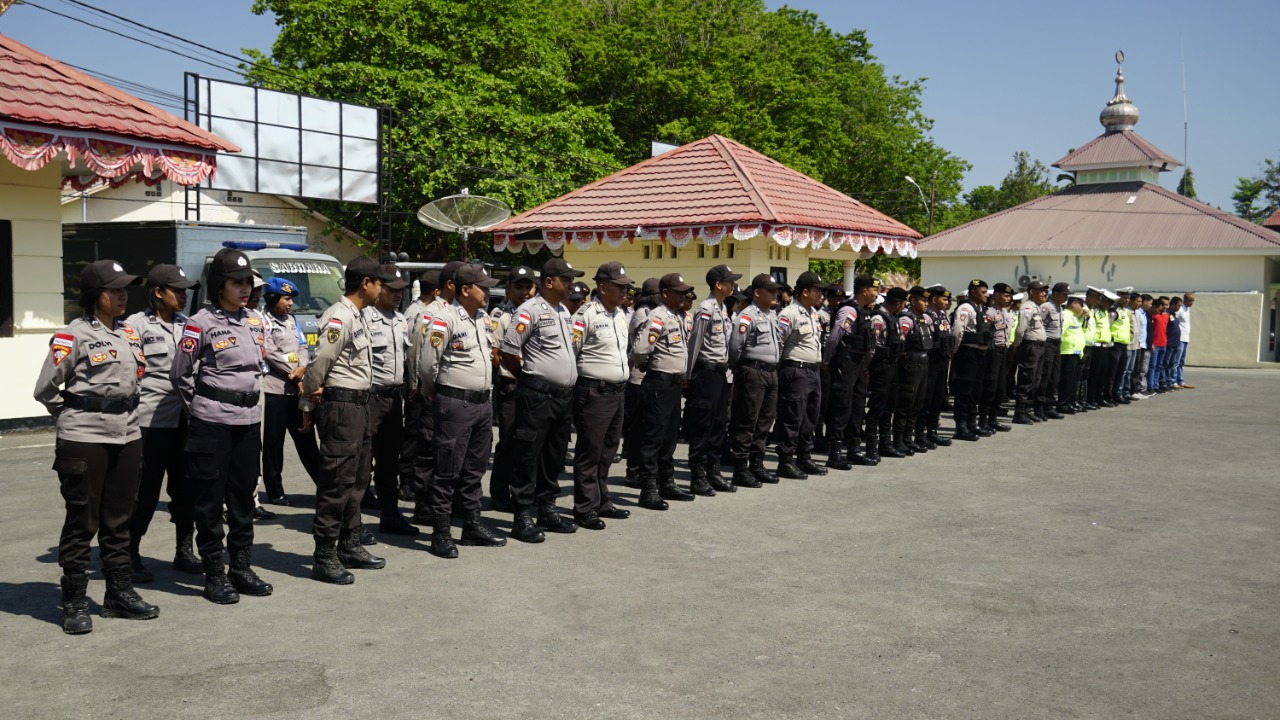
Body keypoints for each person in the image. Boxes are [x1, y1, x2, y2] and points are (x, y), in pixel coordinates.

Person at [34, 260, 157, 634]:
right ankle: (73, 600)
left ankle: (119, 594)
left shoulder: (129, 334)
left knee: (119, 518)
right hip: (84, 438)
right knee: (82, 520)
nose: (122, 296)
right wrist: (77, 413)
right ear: (94, 295)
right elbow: (45, 389)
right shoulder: (72, 336)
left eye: (124, 289)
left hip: (128, 433)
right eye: (114, 290)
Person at [170, 248, 273, 604]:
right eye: (236, 282)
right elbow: (180, 374)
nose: (244, 289)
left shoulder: (256, 321)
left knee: (243, 498)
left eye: (247, 282)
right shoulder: (200, 323)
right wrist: (198, 411)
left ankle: (241, 567)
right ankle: (214, 573)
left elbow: (265, 363)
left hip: (248, 421)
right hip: (211, 423)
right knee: (209, 501)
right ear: (219, 285)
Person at [300, 256, 386, 584]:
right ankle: (324, 555)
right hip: (341, 407)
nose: (382, 289)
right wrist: (308, 400)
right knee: (337, 482)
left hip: (359, 407)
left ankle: (350, 543)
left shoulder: (359, 315)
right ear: (366, 283)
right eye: (379, 282)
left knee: (358, 479)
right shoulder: (339, 317)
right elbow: (321, 360)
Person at [417, 264, 507, 557]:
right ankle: (441, 533)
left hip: (482, 404)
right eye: (483, 287)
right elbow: (427, 365)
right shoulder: (443, 319)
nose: (489, 292)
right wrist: (437, 394)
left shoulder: (482, 318)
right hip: (455, 402)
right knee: (446, 470)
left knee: (474, 468)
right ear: (465, 290)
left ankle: (471, 524)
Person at [124, 264, 200, 584]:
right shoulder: (135, 327)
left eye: (186, 290)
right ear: (158, 293)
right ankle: (130, 553)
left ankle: (184, 551)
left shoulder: (190, 326)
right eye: (177, 290)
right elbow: (127, 375)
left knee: (186, 490)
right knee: (145, 492)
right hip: (149, 422)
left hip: (187, 420)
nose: (184, 296)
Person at [499, 258, 584, 542]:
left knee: (554, 457)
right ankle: (522, 515)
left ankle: (547, 509)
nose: (571, 284)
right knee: (527, 455)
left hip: (562, 398)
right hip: (537, 395)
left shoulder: (563, 310)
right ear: (549, 282)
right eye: (567, 279)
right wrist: (525, 378)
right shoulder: (529, 311)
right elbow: (509, 350)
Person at [569, 262, 635, 529]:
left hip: (617, 392)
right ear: (602, 287)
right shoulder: (585, 314)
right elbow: (571, 353)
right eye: (619, 286)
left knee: (608, 451)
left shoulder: (619, 314)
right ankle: (584, 508)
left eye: (625, 286)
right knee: (590, 452)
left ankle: (601, 501)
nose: (625, 290)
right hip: (594, 392)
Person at [631, 272, 697, 507]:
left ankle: (667, 482)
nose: (684, 295)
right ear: (666, 293)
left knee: (670, 437)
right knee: (653, 437)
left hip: (674, 384)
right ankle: (648, 488)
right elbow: (640, 349)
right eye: (679, 292)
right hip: (658, 383)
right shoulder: (658, 316)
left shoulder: (678, 315)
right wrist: (646, 365)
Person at [363, 264, 417, 537]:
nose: (398, 295)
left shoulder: (400, 320)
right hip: (370, 398)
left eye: (401, 291)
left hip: (394, 399)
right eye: (393, 290)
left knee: (389, 462)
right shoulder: (364, 317)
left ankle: (390, 514)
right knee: (361, 462)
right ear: (378, 287)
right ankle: (353, 522)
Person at [260, 276, 323, 506]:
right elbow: (268, 351)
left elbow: (303, 346)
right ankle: (275, 491)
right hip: (275, 389)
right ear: (273, 298)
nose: (290, 304)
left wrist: (303, 367)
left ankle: (324, 486)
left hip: (296, 389)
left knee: (306, 438)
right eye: (286, 299)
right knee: (274, 444)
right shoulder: (263, 321)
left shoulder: (291, 320)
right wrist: (292, 371)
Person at [681, 264, 742, 494]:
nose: (733, 285)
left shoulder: (722, 309)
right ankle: (698, 475)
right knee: (703, 424)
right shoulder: (705, 309)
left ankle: (713, 472)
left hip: (720, 374)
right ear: (718, 285)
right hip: (705, 373)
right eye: (730, 281)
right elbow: (695, 343)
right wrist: (688, 374)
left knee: (718, 424)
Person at [487, 266, 537, 511]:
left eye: (529, 287)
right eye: (519, 287)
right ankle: (499, 493)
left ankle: (522, 490)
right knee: (508, 441)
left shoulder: (533, 313)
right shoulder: (501, 316)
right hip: (511, 384)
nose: (525, 292)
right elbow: (495, 354)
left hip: (531, 384)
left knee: (527, 442)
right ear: (508, 289)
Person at [774, 271, 830, 478]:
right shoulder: (789, 314)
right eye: (817, 290)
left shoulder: (812, 313)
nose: (820, 295)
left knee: (810, 417)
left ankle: (804, 458)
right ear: (805, 292)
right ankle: (786, 461)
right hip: (796, 370)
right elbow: (778, 343)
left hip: (812, 371)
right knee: (792, 417)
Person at [727, 274, 781, 487]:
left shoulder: (772, 315)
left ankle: (756, 464)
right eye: (771, 291)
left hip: (771, 373)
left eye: (776, 291)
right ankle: (740, 468)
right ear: (757, 293)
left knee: (765, 420)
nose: (775, 294)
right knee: (747, 420)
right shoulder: (747, 316)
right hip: (753, 371)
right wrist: (741, 368)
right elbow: (735, 347)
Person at [823, 275, 880, 469]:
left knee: (857, 408)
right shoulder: (849, 310)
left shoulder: (864, 311)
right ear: (864, 291)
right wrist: (827, 360)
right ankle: (835, 453)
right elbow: (834, 337)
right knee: (841, 407)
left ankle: (854, 449)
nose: (877, 294)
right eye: (875, 290)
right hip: (845, 365)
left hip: (858, 366)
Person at [399, 270, 440, 512]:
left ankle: (410, 479)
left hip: (418, 382)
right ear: (436, 292)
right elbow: (414, 353)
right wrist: (415, 385)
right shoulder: (418, 314)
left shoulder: (413, 310)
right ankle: (406, 481)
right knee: (414, 434)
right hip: (417, 384)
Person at [623, 278, 660, 488]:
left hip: (648, 376)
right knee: (637, 427)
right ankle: (633, 470)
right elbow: (638, 345)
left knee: (648, 427)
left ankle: (642, 468)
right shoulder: (643, 312)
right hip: (638, 375)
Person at [950, 279, 992, 441]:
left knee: (976, 391)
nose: (986, 295)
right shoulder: (966, 308)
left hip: (979, 354)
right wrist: (955, 350)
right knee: (964, 391)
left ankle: (972, 424)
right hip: (967, 354)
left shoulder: (980, 308)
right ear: (973, 292)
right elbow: (957, 331)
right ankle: (961, 426)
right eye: (982, 292)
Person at [893, 286, 934, 454]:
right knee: (906, 403)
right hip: (910, 365)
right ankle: (898, 439)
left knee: (918, 403)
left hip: (923, 363)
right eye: (923, 300)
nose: (926, 303)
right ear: (913, 301)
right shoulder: (906, 319)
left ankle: (909, 438)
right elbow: (900, 342)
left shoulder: (923, 318)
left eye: (927, 300)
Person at [865, 287, 905, 457]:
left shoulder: (892, 317)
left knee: (890, 405)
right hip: (880, 366)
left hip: (891, 365)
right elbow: (872, 347)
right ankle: (871, 446)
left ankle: (885, 443)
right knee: (877, 407)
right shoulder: (879, 318)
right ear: (897, 303)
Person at [979, 283, 1014, 434]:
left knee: (1000, 388)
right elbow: (985, 334)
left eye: (1009, 296)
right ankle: (982, 421)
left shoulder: (1005, 313)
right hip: (992, 353)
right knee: (990, 388)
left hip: (1003, 352)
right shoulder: (990, 313)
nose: (1008, 299)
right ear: (997, 296)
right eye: (1006, 296)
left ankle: (993, 420)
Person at [922, 285, 955, 448]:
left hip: (942, 360)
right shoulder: (927, 316)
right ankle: (921, 433)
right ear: (934, 299)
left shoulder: (943, 315)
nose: (947, 302)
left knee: (938, 397)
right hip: (931, 361)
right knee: (927, 398)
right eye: (944, 299)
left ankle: (932, 431)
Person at [1011, 280, 1048, 425]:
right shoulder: (1027, 307)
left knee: (1035, 380)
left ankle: (1027, 410)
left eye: (1045, 290)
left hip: (1038, 347)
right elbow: (1020, 329)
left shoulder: (1036, 307)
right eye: (1041, 290)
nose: (1044, 293)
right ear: (1032, 291)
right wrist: (1017, 344)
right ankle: (1019, 413)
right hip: (1030, 346)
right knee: (1026, 379)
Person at [1057, 295, 1087, 412]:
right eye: (1081, 305)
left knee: (1072, 380)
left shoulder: (1073, 317)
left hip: (1075, 352)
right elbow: (1060, 332)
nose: (1082, 308)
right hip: (1067, 352)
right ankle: (1063, 404)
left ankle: (1068, 402)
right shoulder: (1066, 315)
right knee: (1066, 380)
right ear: (1074, 304)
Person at [1148, 297, 1169, 394]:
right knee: (1152, 366)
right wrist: (1152, 343)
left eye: (1166, 305)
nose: (1164, 307)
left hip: (1163, 344)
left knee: (1159, 366)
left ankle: (1156, 385)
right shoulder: (1154, 316)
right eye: (1162, 305)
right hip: (1155, 344)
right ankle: (1150, 385)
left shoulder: (1166, 316)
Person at [1175, 292, 1195, 389]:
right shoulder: (1180, 309)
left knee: (1181, 362)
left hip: (1185, 339)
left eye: (1193, 301)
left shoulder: (1187, 309)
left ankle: (1181, 381)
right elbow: (1174, 320)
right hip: (1179, 339)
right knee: (1176, 361)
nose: (1192, 302)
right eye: (1190, 300)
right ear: (1185, 300)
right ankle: (1174, 381)